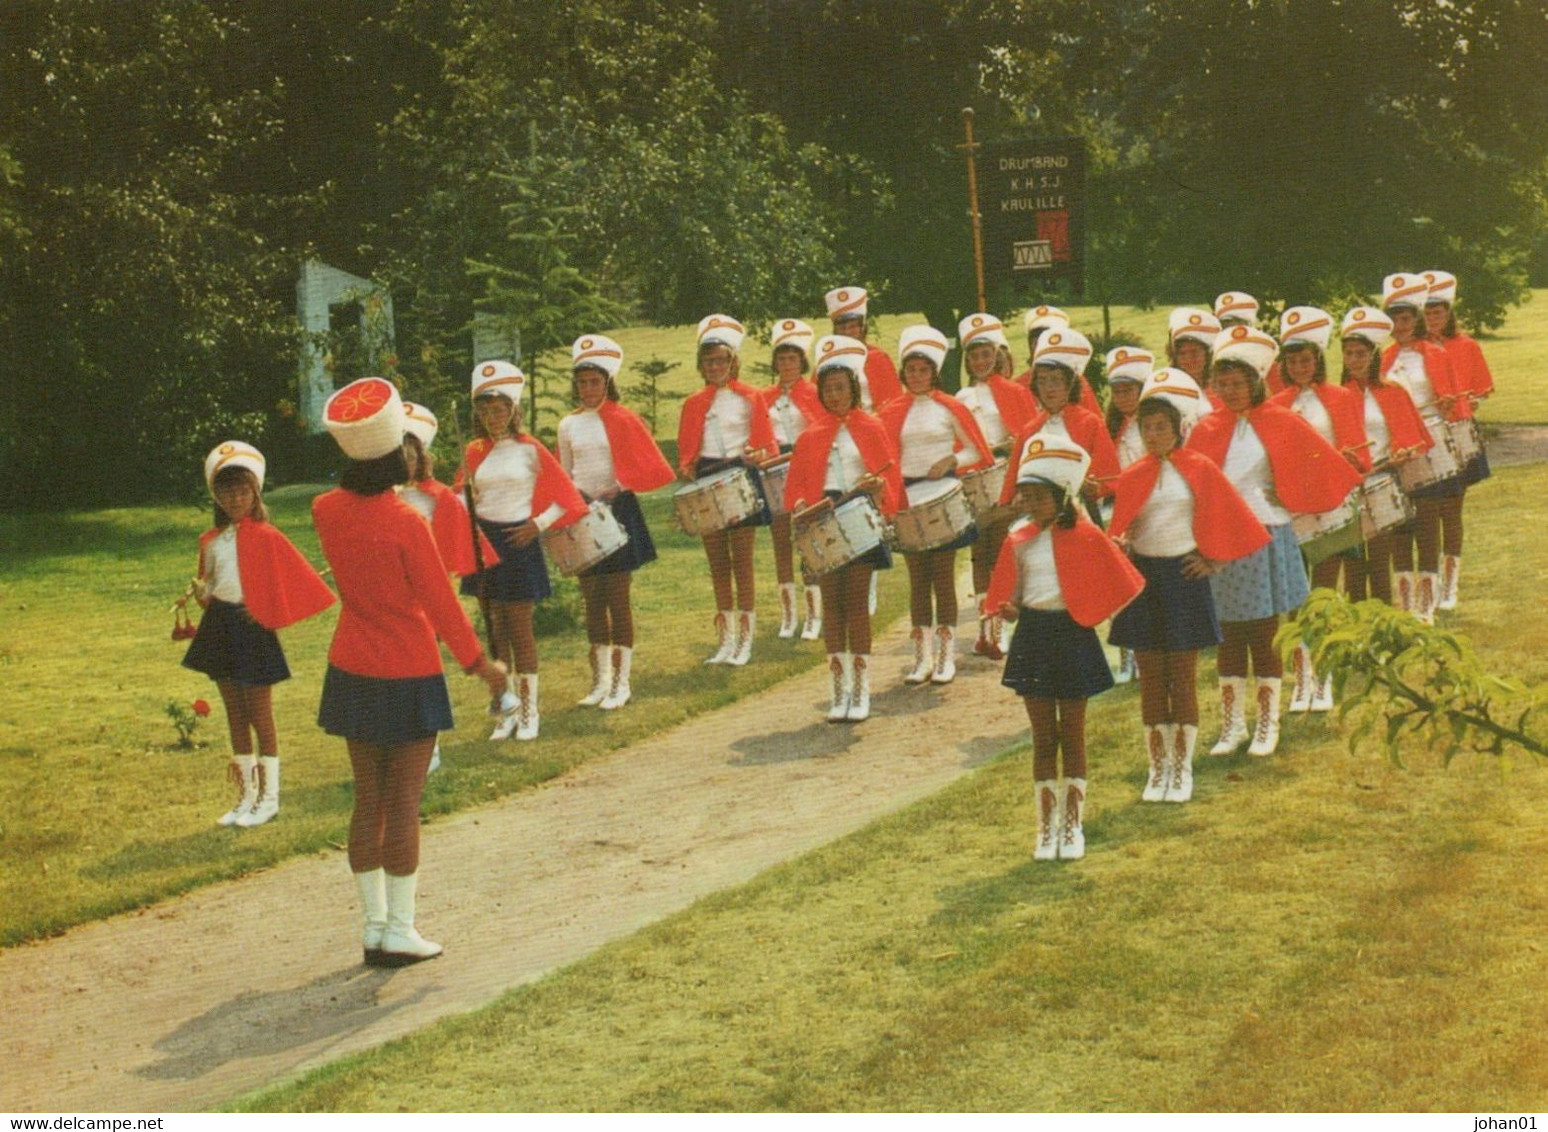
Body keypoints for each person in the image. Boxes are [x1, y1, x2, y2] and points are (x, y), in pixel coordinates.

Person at [313, 378, 509, 966]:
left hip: (350, 663)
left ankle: (374, 925)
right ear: (398, 452)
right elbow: (442, 605)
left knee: (366, 799)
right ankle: (400, 926)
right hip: (407, 667)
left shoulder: (324, 510)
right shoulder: (406, 522)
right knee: (403, 802)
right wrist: (481, 664)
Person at [1185, 326, 1363, 757]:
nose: (1228, 391)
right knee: (1226, 633)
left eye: (1236, 383)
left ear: (1255, 381)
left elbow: (1325, 464)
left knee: (1264, 632)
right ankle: (1233, 725)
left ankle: (1269, 722)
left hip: (1266, 534)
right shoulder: (1206, 427)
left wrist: (1294, 494)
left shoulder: (1281, 419)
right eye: (1221, 384)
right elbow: (1190, 483)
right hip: (1222, 540)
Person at [983, 436, 1144, 860]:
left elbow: (1119, 580)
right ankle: (1045, 828)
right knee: (1042, 736)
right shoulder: (1019, 539)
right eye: (1026, 496)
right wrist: (1010, 610)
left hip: (1073, 636)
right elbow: (1013, 595)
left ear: (1060, 495)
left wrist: (1094, 608)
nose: (1030, 504)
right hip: (1033, 636)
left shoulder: (1088, 536)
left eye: (1039, 496)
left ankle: (1073, 826)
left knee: (1072, 732)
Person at [1108, 380, 1269, 803]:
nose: (1154, 435)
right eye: (1147, 429)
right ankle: (1156, 770)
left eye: (1161, 427)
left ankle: (1182, 770)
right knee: (1150, 682)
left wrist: (1213, 560)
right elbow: (1120, 526)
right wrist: (1121, 545)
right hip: (1144, 582)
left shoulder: (1199, 467)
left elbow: (1232, 517)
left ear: (1179, 427)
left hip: (1183, 580)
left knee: (1181, 680)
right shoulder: (1133, 474)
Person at [181, 441, 335, 827]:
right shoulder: (210, 541)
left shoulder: (268, 536)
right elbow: (212, 589)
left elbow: (301, 583)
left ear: (255, 493)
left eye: (243, 490)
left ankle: (270, 798)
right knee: (234, 714)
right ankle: (245, 798)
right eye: (226, 490)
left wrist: (267, 611)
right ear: (215, 495)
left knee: (259, 715)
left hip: (253, 631)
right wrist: (203, 596)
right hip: (220, 628)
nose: (235, 498)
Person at [457, 360, 587, 740]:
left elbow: (568, 498)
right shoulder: (474, 451)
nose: (492, 416)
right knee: (495, 631)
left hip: (518, 542)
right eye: (485, 409)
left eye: (499, 408)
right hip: (484, 545)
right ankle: (506, 710)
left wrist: (537, 525)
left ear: (513, 409)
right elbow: (460, 501)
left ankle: (530, 711)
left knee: (520, 629)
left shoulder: (530, 449)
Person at [784, 335, 903, 722]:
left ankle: (862, 690)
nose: (834, 395)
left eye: (841, 387)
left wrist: (878, 488)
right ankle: (839, 690)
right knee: (831, 606)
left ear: (853, 388)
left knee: (856, 606)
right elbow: (797, 486)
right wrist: (802, 505)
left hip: (859, 517)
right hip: (823, 520)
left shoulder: (872, 426)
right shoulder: (810, 435)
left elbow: (891, 477)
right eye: (828, 389)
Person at [557, 334, 677, 710]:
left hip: (617, 510)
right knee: (591, 598)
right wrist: (572, 501)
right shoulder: (568, 424)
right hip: (581, 513)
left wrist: (619, 486)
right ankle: (600, 680)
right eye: (582, 382)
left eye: (595, 381)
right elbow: (564, 470)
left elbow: (649, 464)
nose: (588, 388)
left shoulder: (623, 418)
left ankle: (622, 682)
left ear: (607, 382)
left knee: (617, 598)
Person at [1268, 306, 1370, 713]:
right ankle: (1301, 679)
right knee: (1295, 597)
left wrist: (1342, 460)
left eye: (1306, 359)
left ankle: (1324, 677)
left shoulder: (1341, 397)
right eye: (1292, 361)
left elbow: (1360, 453)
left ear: (1318, 360)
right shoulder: (1275, 404)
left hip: (1330, 508)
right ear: (1285, 365)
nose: (1300, 367)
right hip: (1290, 511)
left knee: (1325, 593)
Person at [879, 324, 992, 684]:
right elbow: (882, 456)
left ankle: (946, 656)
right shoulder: (891, 410)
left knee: (942, 578)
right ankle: (922, 656)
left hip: (943, 497)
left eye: (923, 369)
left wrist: (951, 461)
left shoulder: (950, 407)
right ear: (903, 372)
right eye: (911, 369)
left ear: (934, 372)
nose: (916, 376)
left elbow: (977, 449)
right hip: (907, 499)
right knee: (917, 581)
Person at [677, 314, 778, 664]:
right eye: (709, 361)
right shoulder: (693, 402)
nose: (715, 366)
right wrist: (687, 467)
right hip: (707, 477)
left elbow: (768, 447)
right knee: (717, 563)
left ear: (733, 361)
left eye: (721, 359)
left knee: (742, 562)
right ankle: (726, 640)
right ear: (701, 365)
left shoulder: (751, 397)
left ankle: (745, 641)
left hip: (740, 474)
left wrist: (757, 454)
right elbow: (687, 449)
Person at [401, 400, 494, 772]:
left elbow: (455, 544)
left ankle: (431, 741)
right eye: (396, 456)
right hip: (395, 600)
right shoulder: (385, 497)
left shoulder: (434, 496)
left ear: (420, 458)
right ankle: (405, 738)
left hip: (428, 596)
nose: (403, 464)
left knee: (427, 668)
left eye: (409, 457)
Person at [1380, 273, 1472, 622]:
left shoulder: (1434, 353)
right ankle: (1406, 602)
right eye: (1393, 319)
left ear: (1416, 319)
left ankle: (1432, 599)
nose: (1399, 325)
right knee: (1400, 526)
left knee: (1431, 521)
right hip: (1396, 450)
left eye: (1405, 319)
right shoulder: (1383, 358)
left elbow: (1453, 403)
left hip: (1433, 446)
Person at [1338, 306, 1433, 606]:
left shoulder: (1392, 391)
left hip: (1382, 478)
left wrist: (1402, 453)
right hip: (1348, 486)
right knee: (1353, 562)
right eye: (1348, 353)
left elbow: (1412, 436)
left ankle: (1383, 621)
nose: (1354, 360)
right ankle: (1355, 628)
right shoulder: (1336, 394)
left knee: (1380, 559)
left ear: (1373, 355)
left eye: (1360, 354)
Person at [955, 313, 1035, 660]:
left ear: (998, 354)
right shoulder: (961, 395)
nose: (981, 361)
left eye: (986, 354)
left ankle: (1002, 626)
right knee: (979, 553)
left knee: (1003, 551)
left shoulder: (1016, 392)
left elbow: (1027, 433)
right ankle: (984, 628)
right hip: (974, 482)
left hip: (1004, 477)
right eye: (974, 356)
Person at [1423, 269, 1493, 610]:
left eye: (1438, 312)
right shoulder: (1412, 350)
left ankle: (1450, 587)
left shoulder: (1466, 345)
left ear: (1449, 313)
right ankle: (1430, 585)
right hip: (1424, 439)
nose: (1433, 318)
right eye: (1427, 312)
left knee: (1451, 512)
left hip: (1458, 434)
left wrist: (1470, 400)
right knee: (1426, 513)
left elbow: (1480, 389)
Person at [758, 318, 824, 640]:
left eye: (792, 359)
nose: (786, 364)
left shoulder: (814, 393)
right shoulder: (764, 397)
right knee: (780, 541)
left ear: (802, 361)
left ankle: (814, 615)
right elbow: (757, 434)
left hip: (804, 465)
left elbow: (821, 432)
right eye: (781, 359)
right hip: (773, 471)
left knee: (806, 538)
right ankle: (789, 616)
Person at [1101, 346, 1156, 685]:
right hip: (1117, 514)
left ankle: (1141, 653)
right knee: (1117, 586)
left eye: (1128, 390)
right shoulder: (1112, 427)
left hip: (1146, 513)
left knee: (1141, 586)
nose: (1122, 397)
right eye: (1117, 391)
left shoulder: (1151, 425)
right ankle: (1125, 655)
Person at [824, 286, 903, 411]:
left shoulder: (878, 358)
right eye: (842, 328)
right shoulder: (826, 361)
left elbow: (894, 402)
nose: (847, 332)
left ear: (862, 328)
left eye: (853, 327)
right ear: (835, 330)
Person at [1014, 304, 1101, 413]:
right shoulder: (1018, 385)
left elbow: (1093, 422)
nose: (1037, 348)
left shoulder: (1077, 383)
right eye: (1035, 342)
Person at [1167, 307, 1222, 409]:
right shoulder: (1169, 389)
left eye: (1194, 353)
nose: (1188, 360)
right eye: (1182, 354)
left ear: (1207, 355)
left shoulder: (1222, 388)